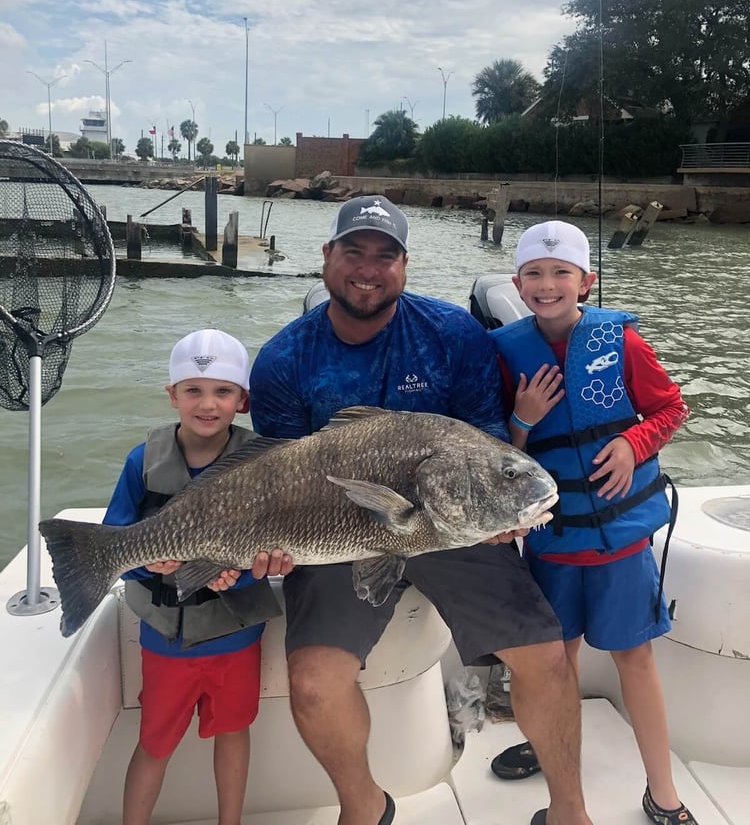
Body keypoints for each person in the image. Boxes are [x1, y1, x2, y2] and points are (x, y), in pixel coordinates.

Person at [249, 195, 593, 825]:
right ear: (327, 258)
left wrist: (495, 516)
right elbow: (274, 480)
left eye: (386, 256)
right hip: (337, 531)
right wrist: (270, 547)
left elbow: (486, 450)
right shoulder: (282, 360)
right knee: (314, 686)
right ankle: (364, 806)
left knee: (543, 657)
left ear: (405, 267)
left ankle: (571, 812)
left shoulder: (452, 335)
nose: (368, 269)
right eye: (354, 251)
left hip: (453, 525)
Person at [490, 220, 696, 825]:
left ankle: (664, 794)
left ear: (588, 280)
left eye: (561, 273)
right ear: (517, 282)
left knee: (636, 660)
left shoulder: (623, 342)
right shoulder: (505, 354)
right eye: (535, 273)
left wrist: (634, 443)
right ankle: (548, 744)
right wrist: (523, 421)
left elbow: (670, 407)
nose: (548, 285)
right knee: (556, 662)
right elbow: (496, 450)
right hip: (552, 542)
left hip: (620, 544)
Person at [104, 328, 280, 825]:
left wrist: (240, 576)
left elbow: (267, 545)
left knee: (233, 733)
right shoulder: (143, 461)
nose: (208, 403)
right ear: (172, 395)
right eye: (194, 389)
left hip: (236, 636)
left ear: (242, 400)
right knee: (155, 742)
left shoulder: (266, 463)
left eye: (223, 391)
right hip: (165, 640)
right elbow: (117, 536)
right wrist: (147, 563)